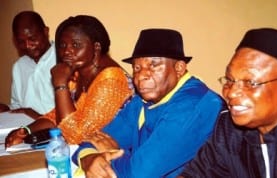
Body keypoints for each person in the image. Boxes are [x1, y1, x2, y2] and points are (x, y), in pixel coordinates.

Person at [72, 28, 224, 178]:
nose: (142, 75)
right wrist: (88, 158)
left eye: (154, 65)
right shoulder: (144, 99)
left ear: (179, 68)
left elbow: (138, 173)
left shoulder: (194, 106)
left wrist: (111, 153)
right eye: (137, 68)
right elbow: (95, 139)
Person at [178, 28, 277, 178]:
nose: (231, 92)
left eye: (250, 82)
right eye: (229, 80)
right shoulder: (228, 127)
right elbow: (197, 174)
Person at [5, 15, 134, 147]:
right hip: (87, 152)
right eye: (62, 45)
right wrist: (25, 130)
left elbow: (74, 136)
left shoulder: (111, 82)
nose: (66, 51)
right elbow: (57, 115)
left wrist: (60, 85)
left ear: (96, 47)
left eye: (76, 45)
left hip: (116, 158)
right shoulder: (79, 73)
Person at [0, 11, 56, 119]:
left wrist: (37, 117)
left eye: (32, 39)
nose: (27, 46)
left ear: (46, 32)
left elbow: (74, 113)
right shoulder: (19, 67)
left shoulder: (63, 59)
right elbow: (18, 106)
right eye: (21, 42)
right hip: (26, 130)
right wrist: (7, 109)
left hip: (58, 132)